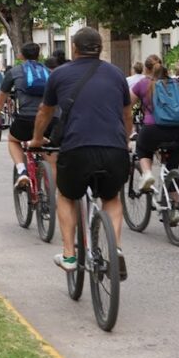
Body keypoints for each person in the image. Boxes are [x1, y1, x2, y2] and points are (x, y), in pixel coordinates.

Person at [31, 27, 132, 274]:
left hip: (76, 149)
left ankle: (69, 255)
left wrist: (37, 139)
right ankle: (116, 248)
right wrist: (125, 139)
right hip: (114, 148)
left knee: (66, 195)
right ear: (100, 48)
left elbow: (45, 111)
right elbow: (127, 114)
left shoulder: (59, 74)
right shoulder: (117, 74)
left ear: (74, 48)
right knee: (111, 197)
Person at [130, 55, 179, 221]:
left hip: (155, 129)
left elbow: (126, 104)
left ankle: (147, 174)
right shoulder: (175, 83)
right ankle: (176, 206)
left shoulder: (143, 84)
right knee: (172, 168)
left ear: (146, 69)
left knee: (142, 147)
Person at [0, 42, 51, 189]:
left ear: (21, 56)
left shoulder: (14, 72)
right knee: (49, 148)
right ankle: (51, 183)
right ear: (39, 54)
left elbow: (0, 101)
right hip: (49, 119)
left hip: (25, 118)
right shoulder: (50, 72)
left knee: (13, 140)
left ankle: (22, 171)